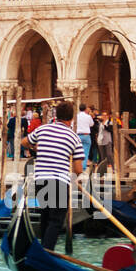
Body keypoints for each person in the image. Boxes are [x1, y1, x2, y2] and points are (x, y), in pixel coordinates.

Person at [23, 101, 84, 249]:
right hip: (60, 181)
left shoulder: (43, 130)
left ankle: (42, 250)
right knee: (56, 220)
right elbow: (78, 169)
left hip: (41, 179)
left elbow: (24, 141)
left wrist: (35, 147)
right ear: (71, 118)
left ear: (56, 115)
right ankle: (47, 252)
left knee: (45, 216)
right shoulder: (74, 137)